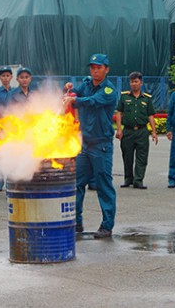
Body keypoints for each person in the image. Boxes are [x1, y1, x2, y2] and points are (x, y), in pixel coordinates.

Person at [63, 53, 117, 239]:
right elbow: (76, 93)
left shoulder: (109, 91)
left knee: (103, 186)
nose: (95, 70)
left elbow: (92, 102)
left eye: (99, 67)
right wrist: (70, 90)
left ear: (106, 69)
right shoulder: (86, 84)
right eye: (92, 67)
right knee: (77, 183)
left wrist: (74, 100)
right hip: (85, 145)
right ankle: (76, 222)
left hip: (101, 145)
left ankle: (107, 225)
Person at [116, 71, 158, 189]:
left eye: (136, 81)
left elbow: (150, 116)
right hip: (128, 131)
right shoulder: (124, 96)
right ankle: (128, 178)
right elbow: (119, 113)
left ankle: (138, 180)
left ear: (141, 83)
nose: (134, 84)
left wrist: (154, 132)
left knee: (142, 156)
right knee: (127, 156)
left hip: (142, 131)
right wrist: (119, 130)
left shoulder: (147, 99)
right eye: (132, 82)